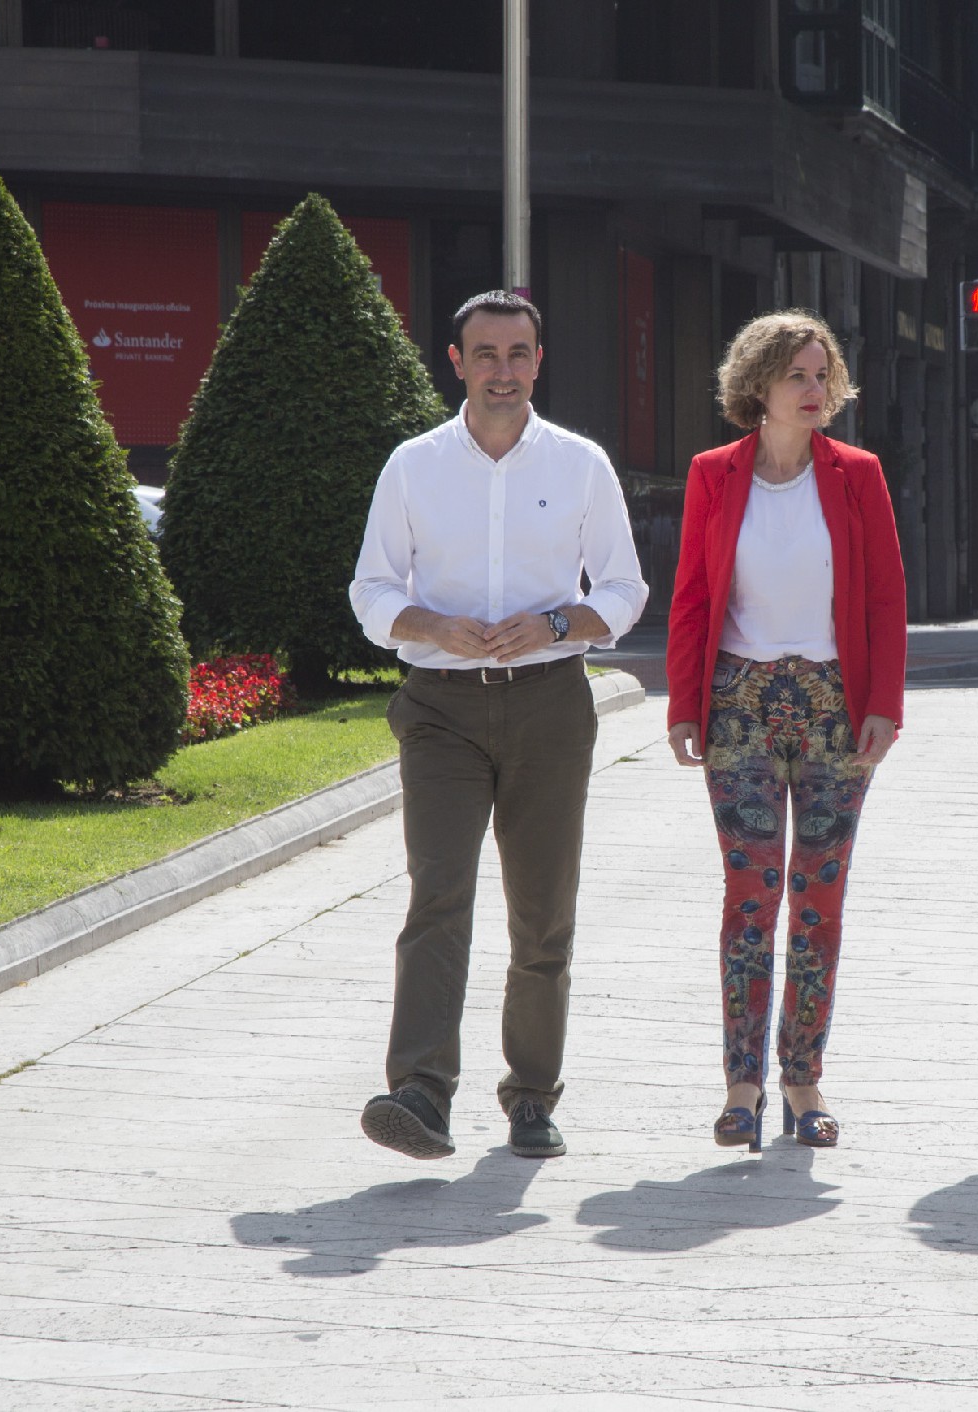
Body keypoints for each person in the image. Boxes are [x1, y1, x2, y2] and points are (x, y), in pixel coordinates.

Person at [349, 290, 649, 1161]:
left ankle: (530, 1096)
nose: (503, 372)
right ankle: (420, 1093)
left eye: (519, 354)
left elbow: (625, 591)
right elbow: (371, 590)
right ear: (457, 363)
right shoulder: (413, 465)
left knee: (542, 912)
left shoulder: (580, 464)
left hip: (550, 704)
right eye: (486, 355)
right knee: (438, 894)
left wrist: (558, 624)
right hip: (440, 708)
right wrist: (430, 626)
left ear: (539, 362)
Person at [664, 311, 905, 1151]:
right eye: (799, 375)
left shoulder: (858, 475)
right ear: (758, 387)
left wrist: (884, 704)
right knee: (751, 895)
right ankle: (741, 1085)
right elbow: (694, 594)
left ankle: (804, 1081)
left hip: (837, 703)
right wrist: (684, 707)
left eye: (824, 375)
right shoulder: (712, 475)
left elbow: (884, 595)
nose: (816, 390)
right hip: (739, 701)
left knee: (819, 898)